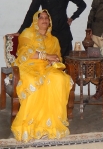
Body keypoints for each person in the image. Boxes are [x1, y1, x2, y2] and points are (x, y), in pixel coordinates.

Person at [11, 10, 73, 142]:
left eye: (47, 18)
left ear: (49, 21)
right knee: (34, 81)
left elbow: (58, 57)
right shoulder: (27, 33)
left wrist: (53, 60)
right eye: (41, 18)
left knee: (60, 79)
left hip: (47, 67)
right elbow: (25, 52)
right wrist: (45, 56)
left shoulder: (54, 40)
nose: (44, 20)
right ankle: (32, 125)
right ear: (36, 21)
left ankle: (51, 125)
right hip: (29, 66)